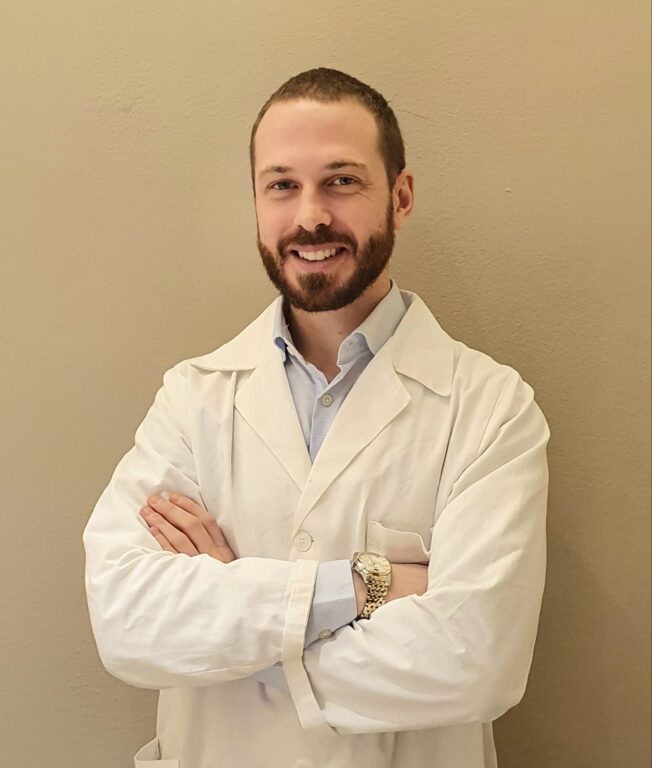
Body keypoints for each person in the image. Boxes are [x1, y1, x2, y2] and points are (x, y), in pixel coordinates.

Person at [83, 68, 550, 768]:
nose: (309, 216)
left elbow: (475, 660)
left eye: (341, 181)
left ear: (400, 197)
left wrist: (233, 622)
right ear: (256, 201)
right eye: (281, 185)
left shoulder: (491, 408)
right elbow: (126, 622)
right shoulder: (192, 399)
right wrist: (367, 584)